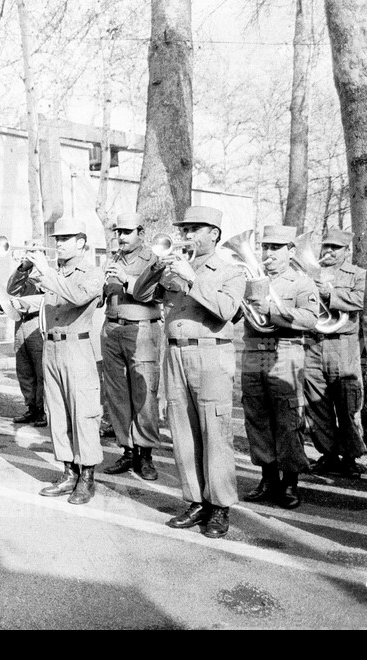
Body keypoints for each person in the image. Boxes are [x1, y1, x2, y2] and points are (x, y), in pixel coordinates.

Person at [134, 206, 246, 539]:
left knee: (215, 431)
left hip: (211, 354)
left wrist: (192, 277)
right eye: (185, 230)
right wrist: (156, 267)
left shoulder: (230, 270)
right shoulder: (171, 270)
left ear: (214, 233)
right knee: (183, 432)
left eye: (195, 229)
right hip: (176, 354)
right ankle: (196, 500)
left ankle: (219, 507)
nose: (187, 235)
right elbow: (140, 295)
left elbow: (227, 310)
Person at [25, 220, 104, 504]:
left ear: (81, 242)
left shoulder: (93, 272)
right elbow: (15, 289)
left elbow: (77, 295)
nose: (58, 243)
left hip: (78, 347)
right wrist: (25, 267)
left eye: (66, 239)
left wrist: (46, 272)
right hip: (52, 348)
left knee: (83, 413)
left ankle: (87, 477)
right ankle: (68, 471)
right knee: (58, 414)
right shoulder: (55, 272)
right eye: (57, 239)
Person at [240, 224, 318, 510]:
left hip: (286, 351)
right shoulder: (251, 279)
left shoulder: (301, 282)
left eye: (276, 248)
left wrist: (270, 311)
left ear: (291, 251)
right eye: (265, 247)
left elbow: (310, 319)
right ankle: (268, 478)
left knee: (288, 419)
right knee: (256, 416)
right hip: (252, 352)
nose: (268, 253)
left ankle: (289, 482)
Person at [99, 213, 163, 481]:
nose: (121, 237)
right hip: (112, 327)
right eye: (118, 232)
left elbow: (153, 293)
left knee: (144, 391)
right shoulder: (113, 258)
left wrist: (126, 277)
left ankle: (145, 454)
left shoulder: (154, 259)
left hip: (142, 329)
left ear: (140, 232)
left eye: (126, 232)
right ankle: (127, 450)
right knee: (116, 393)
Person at [304, 227, 367, 478]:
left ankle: (350, 456)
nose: (329, 251)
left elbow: (360, 300)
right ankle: (327, 454)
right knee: (316, 401)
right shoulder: (310, 272)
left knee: (347, 400)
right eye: (326, 246)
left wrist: (331, 293)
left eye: (335, 248)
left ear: (346, 251)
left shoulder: (359, 274)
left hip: (342, 343)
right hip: (313, 341)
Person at [5, 240, 48, 428]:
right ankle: (31, 407)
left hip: (37, 323)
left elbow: (48, 295)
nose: (29, 253)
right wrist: (23, 268)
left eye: (33, 250)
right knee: (24, 369)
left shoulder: (47, 271)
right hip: (20, 322)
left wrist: (39, 269)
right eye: (28, 249)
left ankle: (43, 410)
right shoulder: (24, 273)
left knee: (40, 370)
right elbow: (11, 290)